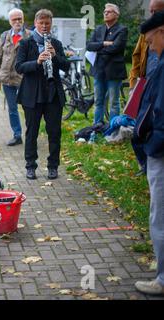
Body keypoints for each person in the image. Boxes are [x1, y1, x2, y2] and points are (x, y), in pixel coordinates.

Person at [15, 9, 70, 180]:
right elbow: (19, 67)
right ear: (36, 23)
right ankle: (30, 166)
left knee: (54, 132)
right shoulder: (26, 43)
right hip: (32, 93)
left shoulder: (56, 43)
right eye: (41, 23)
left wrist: (54, 56)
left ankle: (53, 166)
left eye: (47, 23)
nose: (45, 26)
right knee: (32, 131)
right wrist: (37, 61)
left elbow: (66, 66)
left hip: (52, 93)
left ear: (51, 24)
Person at [133, 11, 164, 296]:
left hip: (160, 151)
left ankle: (163, 279)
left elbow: (159, 111)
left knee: (160, 216)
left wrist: (150, 141)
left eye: (152, 40)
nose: (150, 47)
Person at [129, 0, 164, 176]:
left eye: (156, 11)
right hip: (148, 82)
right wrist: (133, 80)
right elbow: (136, 56)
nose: (152, 15)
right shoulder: (149, 32)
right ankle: (144, 163)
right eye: (150, 11)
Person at [0, 8, 31, 147]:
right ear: (10, 21)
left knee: (28, 107)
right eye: (14, 19)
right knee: (12, 109)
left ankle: (30, 134)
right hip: (7, 78)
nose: (17, 21)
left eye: (19, 19)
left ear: (23, 19)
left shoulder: (30, 35)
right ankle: (17, 135)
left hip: (24, 78)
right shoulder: (4, 36)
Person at [86, 3, 128, 125]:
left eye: (109, 11)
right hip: (99, 70)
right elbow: (89, 46)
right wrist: (104, 43)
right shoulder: (99, 29)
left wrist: (98, 48)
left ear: (116, 15)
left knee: (114, 102)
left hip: (114, 71)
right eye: (105, 11)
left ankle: (113, 129)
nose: (105, 13)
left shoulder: (122, 30)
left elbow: (115, 48)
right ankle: (97, 126)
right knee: (98, 101)